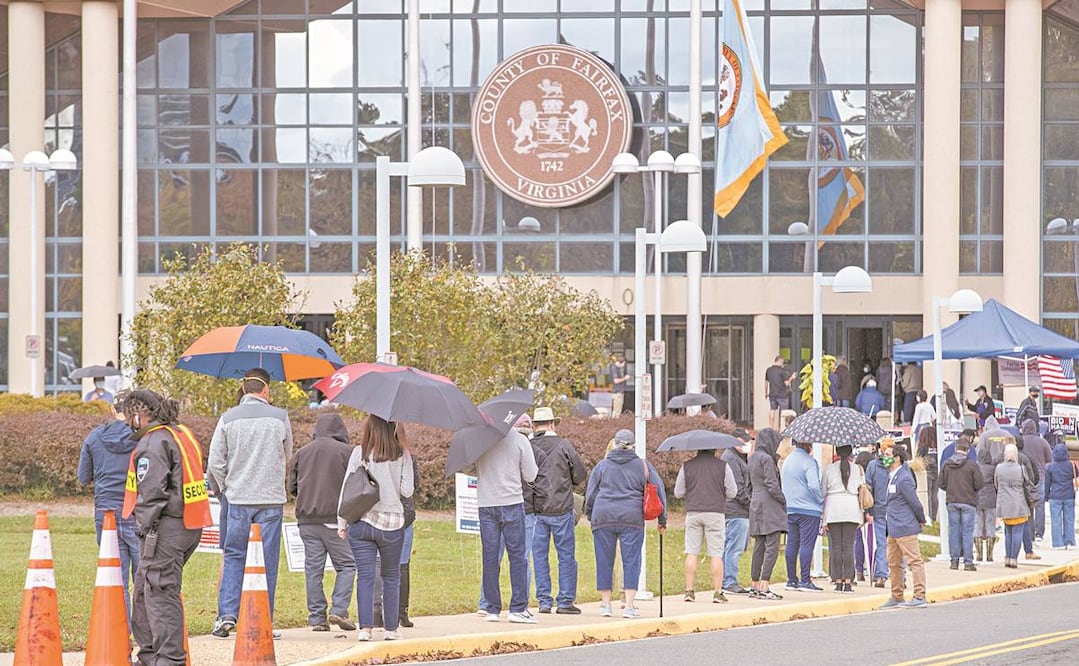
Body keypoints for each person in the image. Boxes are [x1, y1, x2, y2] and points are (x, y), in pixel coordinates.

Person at [119, 389, 211, 665]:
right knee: (146, 590)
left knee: (160, 592)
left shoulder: (153, 442)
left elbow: (152, 492)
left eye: (129, 415)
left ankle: (169, 659)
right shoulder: (180, 433)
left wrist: (144, 528)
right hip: (188, 523)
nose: (127, 422)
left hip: (165, 527)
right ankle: (149, 655)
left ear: (140, 413)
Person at [207, 368, 294, 639]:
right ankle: (261, 619)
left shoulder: (227, 418)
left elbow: (215, 463)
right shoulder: (280, 418)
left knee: (234, 555)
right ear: (266, 390)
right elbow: (287, 454)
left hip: (238, 498)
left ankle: (227, 615)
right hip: (270, 499)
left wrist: (225, 490)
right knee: (266, 561)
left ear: (244, 390)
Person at [339, 416, 413, 641]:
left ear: (369, 428)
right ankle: (390, 629)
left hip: (362, 522)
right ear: (393, 428)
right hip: (392, 524)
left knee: (365, 576)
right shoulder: (402, 454)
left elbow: (347, 489)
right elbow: (407, 490)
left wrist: (342, 522)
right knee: (391, 577)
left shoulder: (359, 453)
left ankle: (365, 629)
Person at [584, 429, 668, 618]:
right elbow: (659, 490)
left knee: (604, 560)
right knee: (631, 560)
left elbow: (591, 495)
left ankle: (606, 605)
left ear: (615, 444)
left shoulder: (602, 466)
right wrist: (662, 519)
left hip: (603, 516)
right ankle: (629, 606)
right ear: (633, 446)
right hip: (632, 517)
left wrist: (590, 514)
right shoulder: (643, 466)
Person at [288, 412, 357, 633]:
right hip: (335, 519)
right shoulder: (348, 453)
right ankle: (339, 608)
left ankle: (317, 617)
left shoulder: (302, 452)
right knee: (347, 565)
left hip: (306, 520)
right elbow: (357, 486)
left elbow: (291, 488)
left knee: (313, 569)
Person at [473, 413, 538, 624]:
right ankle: (518, 607)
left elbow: (466, 467)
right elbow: (531, 475)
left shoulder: (481, 440)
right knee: (517, 557)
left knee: (490, 557)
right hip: (511, 502)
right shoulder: (519, 440)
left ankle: (492, 608)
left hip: (486, 503)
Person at [77, 406, 139, 617]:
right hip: (136, 510)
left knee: (115, 579)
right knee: (144, 578)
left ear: (113, 409)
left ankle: (121, 634)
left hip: (106, 513)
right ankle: (147, 634)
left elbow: (83, 477)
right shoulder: (144, 438)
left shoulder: (93, 438)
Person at [529, 407, 587, 615]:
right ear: (553, 424)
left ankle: (544, 601)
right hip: (562, 508)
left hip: (536, 510)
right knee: (566, 556)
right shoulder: (564, 446)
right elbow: (580, 475)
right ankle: (565, 601)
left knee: (539, 557)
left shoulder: (528, 446)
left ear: (534, 426)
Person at [673, 434, 738, 603]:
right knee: (716, 553)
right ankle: (717, 592)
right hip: (716, 513)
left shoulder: (687, 466)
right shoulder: (723, 466)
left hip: (694, 512)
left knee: (692, 552)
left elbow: (678, 492)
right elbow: (732, 492)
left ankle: (689, 591)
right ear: (715, 449)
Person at [879, 444, 928, 609]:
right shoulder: (891, 476)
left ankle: (919, 595)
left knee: (914, 561)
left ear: (897, 457)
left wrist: (921, 519)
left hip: (905, 526)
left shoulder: (904, 478)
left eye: (887, 454)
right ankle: (896, 595)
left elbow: (914, 502)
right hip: (892, 527)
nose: (883, 457)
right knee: (893, 563)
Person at [746, 428, 786, 600]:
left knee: (759, 544)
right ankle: (765, 584)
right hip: (770, 503)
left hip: (756, 502)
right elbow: (772, 484)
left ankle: (754, 583)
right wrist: (783, 499)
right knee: (772, 545)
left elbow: (747, 486)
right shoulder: (766, 459)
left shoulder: (752, 457)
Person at [780, 439, 824, 592]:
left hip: (790, 507)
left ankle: (791, 580)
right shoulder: (810, 462)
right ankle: (805, 579)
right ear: (809, 445)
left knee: (792, 543)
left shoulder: (787, 461)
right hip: (809, 510)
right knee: (807, 544)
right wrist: (820, 500)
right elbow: (813, 485)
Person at [821, 444, 864, 593]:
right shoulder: (857, 469)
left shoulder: (829, 469)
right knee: (848, 546)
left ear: (837, 452)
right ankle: (848, 582)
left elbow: (823, 491)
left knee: (836, 547)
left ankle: (837, 581)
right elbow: (861, 488)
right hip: (851, 508)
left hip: (833, 509)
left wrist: (823, 518)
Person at [938, 436, 983, 571]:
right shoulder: (972, 465)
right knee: (967, 532)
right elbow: (979, 483)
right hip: (968, 501)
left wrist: (951, 489)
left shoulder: (947, 464)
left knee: (954, 531)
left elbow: (941, 483)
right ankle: (968, 562)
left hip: (952, 501)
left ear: (956, 449)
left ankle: (954, 561)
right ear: (968, 450)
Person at [720, 432, 752, 595]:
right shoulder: (731, 459)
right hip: (736, 510)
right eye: (743, 441)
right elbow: (738, 489)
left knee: (730, 547)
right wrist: (751, 504)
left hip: (734, 509)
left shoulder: (735, 457)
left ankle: (724, 579)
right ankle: (729, 581)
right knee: (734, 548)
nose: (746, 444)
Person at [995, 444, 1034, 569]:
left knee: (1008, 532)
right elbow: (1027, 484)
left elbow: (996, 485)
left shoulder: (998, 468)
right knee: (1017, 532)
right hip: (1019, 504)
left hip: (1004, 505)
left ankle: (1007, 557)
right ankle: (1014, 559)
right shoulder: (1021, 469)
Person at [864, 440, 893, 587]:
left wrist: (868, 511)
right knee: (897, 545)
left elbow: (868, 489)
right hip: (895, 511)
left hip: (878, 510)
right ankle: (900, 576)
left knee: (881, 544)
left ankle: (881, 575)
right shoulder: (899, 466)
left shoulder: (873, 466)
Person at [1020, 418, 1053, 541]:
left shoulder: (1021, 442)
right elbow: (1050, 460)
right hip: (1040, 477)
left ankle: (1030, 533)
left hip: (1025, 478)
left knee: (1027, 506)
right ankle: (1040, 533)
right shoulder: (1042, 442)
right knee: (1040, 506)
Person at [1014, 434, 1043, 561]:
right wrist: (1031, 486)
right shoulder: (1028, 458)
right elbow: (1035, 475)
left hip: (1010, 495)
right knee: (1026, 521)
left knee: (1009, 524)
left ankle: (1010, 552)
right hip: (1025, 494)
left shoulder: (1005, 458)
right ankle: (1028, 549)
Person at [1043, 442, 1077, 549]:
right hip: (1069, 495)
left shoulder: (1050, 467)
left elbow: (1047, 483)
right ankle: (1069, 541)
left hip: (1055, 496)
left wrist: (1046, 496)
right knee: (1069, 519)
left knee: (1056, 520)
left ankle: (1058, 543)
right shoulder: (1071, 465)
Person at [974, 433, 999, 562]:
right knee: (990, 527)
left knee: (977, 525)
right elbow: (996, 484)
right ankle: (990, 555)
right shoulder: (993, 468)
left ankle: (979, 554)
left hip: (977, 499)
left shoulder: (975, 468)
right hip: (991, 499)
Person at [915, 425, 940, 524]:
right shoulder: (938, 445)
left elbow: (918, 458)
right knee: (934, 495)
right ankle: (933, 517)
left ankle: (928, 516)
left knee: (928, 495)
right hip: (937, 472)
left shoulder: (923, 446)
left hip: (926, 472)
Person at [764, 356, 794, 430]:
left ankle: (771, 427)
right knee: (784, 412)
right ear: (779, 361)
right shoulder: (782, 371)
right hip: (782, 394)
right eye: (782, 362)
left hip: (772, 394)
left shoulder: (769, 370)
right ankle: (783, 428)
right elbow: (786, 383)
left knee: (772, 410)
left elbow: (766, 383)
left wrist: (766, 393)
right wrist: (792, 378)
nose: (783, 364)